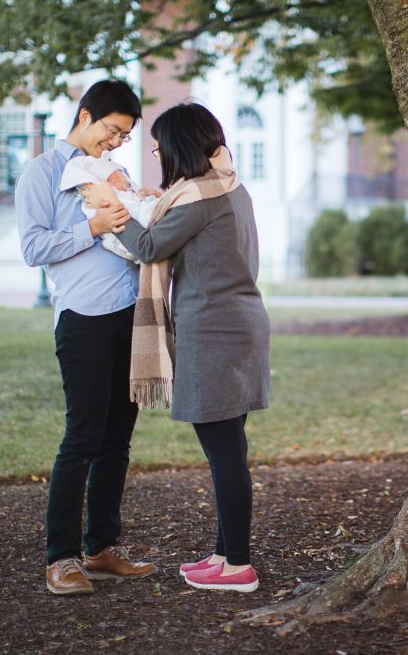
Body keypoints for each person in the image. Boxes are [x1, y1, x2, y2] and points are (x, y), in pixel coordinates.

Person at [83, 102, 270, 593]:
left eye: (160, 144)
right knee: (228, 447)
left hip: (216, 333)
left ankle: (239, 567)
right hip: (239, 325)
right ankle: (224, 554)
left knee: (225, 453)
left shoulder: (199, 199)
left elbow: (148, 247)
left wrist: (111, 207)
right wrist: (156, 201)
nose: (157, 151)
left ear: (179, 145)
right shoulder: (227, 186)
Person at [15, 79, 156, 596]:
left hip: (131, 316)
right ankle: (61, 556)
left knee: (117, 439)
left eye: (124, 137)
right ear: (86, 115)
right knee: (82, 438)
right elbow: (32, 247)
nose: (116, 143)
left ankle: (101, 548)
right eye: (113, 131)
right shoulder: (43, 173)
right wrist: (92, 227)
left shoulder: (115, 173)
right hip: (84, 319)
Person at [59, 155, 159, 262]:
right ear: (103, 185)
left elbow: (138, 206)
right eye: (117, 181)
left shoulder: (127, 192)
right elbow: (137, 211)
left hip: (142, 240)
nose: (125, 184)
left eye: (126, 182)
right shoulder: (97, 201)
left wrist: (150, 198)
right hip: (131, 240)